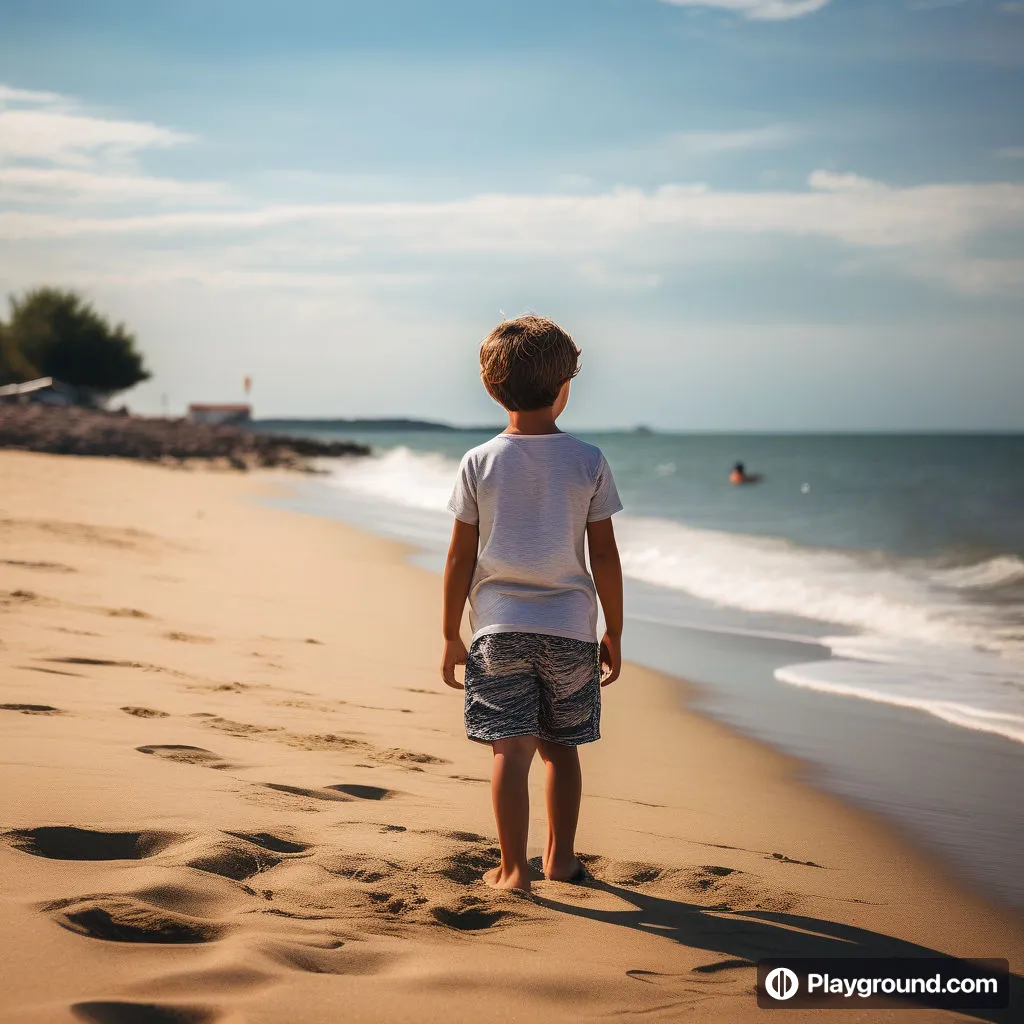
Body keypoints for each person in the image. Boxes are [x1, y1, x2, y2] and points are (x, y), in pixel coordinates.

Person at [440, 315, 624, 893]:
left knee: (510, 752)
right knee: (562, 752)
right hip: (570, 632)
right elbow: (606, 559)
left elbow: (458, 559)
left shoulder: (479, 462)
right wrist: (613, 629)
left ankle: (514, 870)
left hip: (498, 632)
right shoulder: (588, 460)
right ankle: (560, 860)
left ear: (491, 387)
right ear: (565, 386)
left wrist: (450, 633)